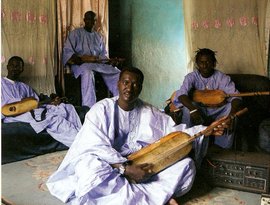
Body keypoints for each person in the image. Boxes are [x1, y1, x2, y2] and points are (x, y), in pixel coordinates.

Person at [47, 66, 228, 205]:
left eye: (135, 84)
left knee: (186, 165)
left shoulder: (149, 111)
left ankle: (137, 196)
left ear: (140, 87)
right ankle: (157, 196)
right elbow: (93, 146)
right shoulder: (101, 110)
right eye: (125, 82)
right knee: (89, 169)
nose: (129, 88)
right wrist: (125, 169)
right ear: (118, 84)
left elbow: (176, 133)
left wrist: (205, 130)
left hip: (143, 164)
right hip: (111, 165)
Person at [1, 56, 82, 147]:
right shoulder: (1, 82)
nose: (15, 69)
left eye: (18, 67)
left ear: (22, 69)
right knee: (53, 118)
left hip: (29, 111)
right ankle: (79, 143)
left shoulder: (24, 87)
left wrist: (51, 102)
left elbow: (36, 102)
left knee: (66, 108)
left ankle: (83, 135)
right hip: (13, 114)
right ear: (7, 66)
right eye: (12, 65)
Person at [173, 48, 242, 149]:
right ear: (197, 64)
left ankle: (223, 148)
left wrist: (230, 116)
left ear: (214, 63)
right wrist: (193, 109)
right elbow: (181, 94)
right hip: (199, 110)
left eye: (208, 62)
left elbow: (236, 97)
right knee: (187, 109)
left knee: (231, 109)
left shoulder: (222, 77)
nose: (204, 65)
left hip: (218, 111)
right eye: (201, 62)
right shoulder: (191, 77)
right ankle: (189, 145)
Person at [63, 10, 121, 108]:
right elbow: (68, 51)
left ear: (95, 21)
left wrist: (110, 61)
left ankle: (119, 102)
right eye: (88, 19)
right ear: (84, 20)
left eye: (93, 20)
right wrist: (80, 58)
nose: (90, 22)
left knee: (117, 72)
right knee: (88, 72)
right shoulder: (75, 34)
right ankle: (89, 107)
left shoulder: (98, 36)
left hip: (97, 65)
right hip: (81, 65)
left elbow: (103, 55)